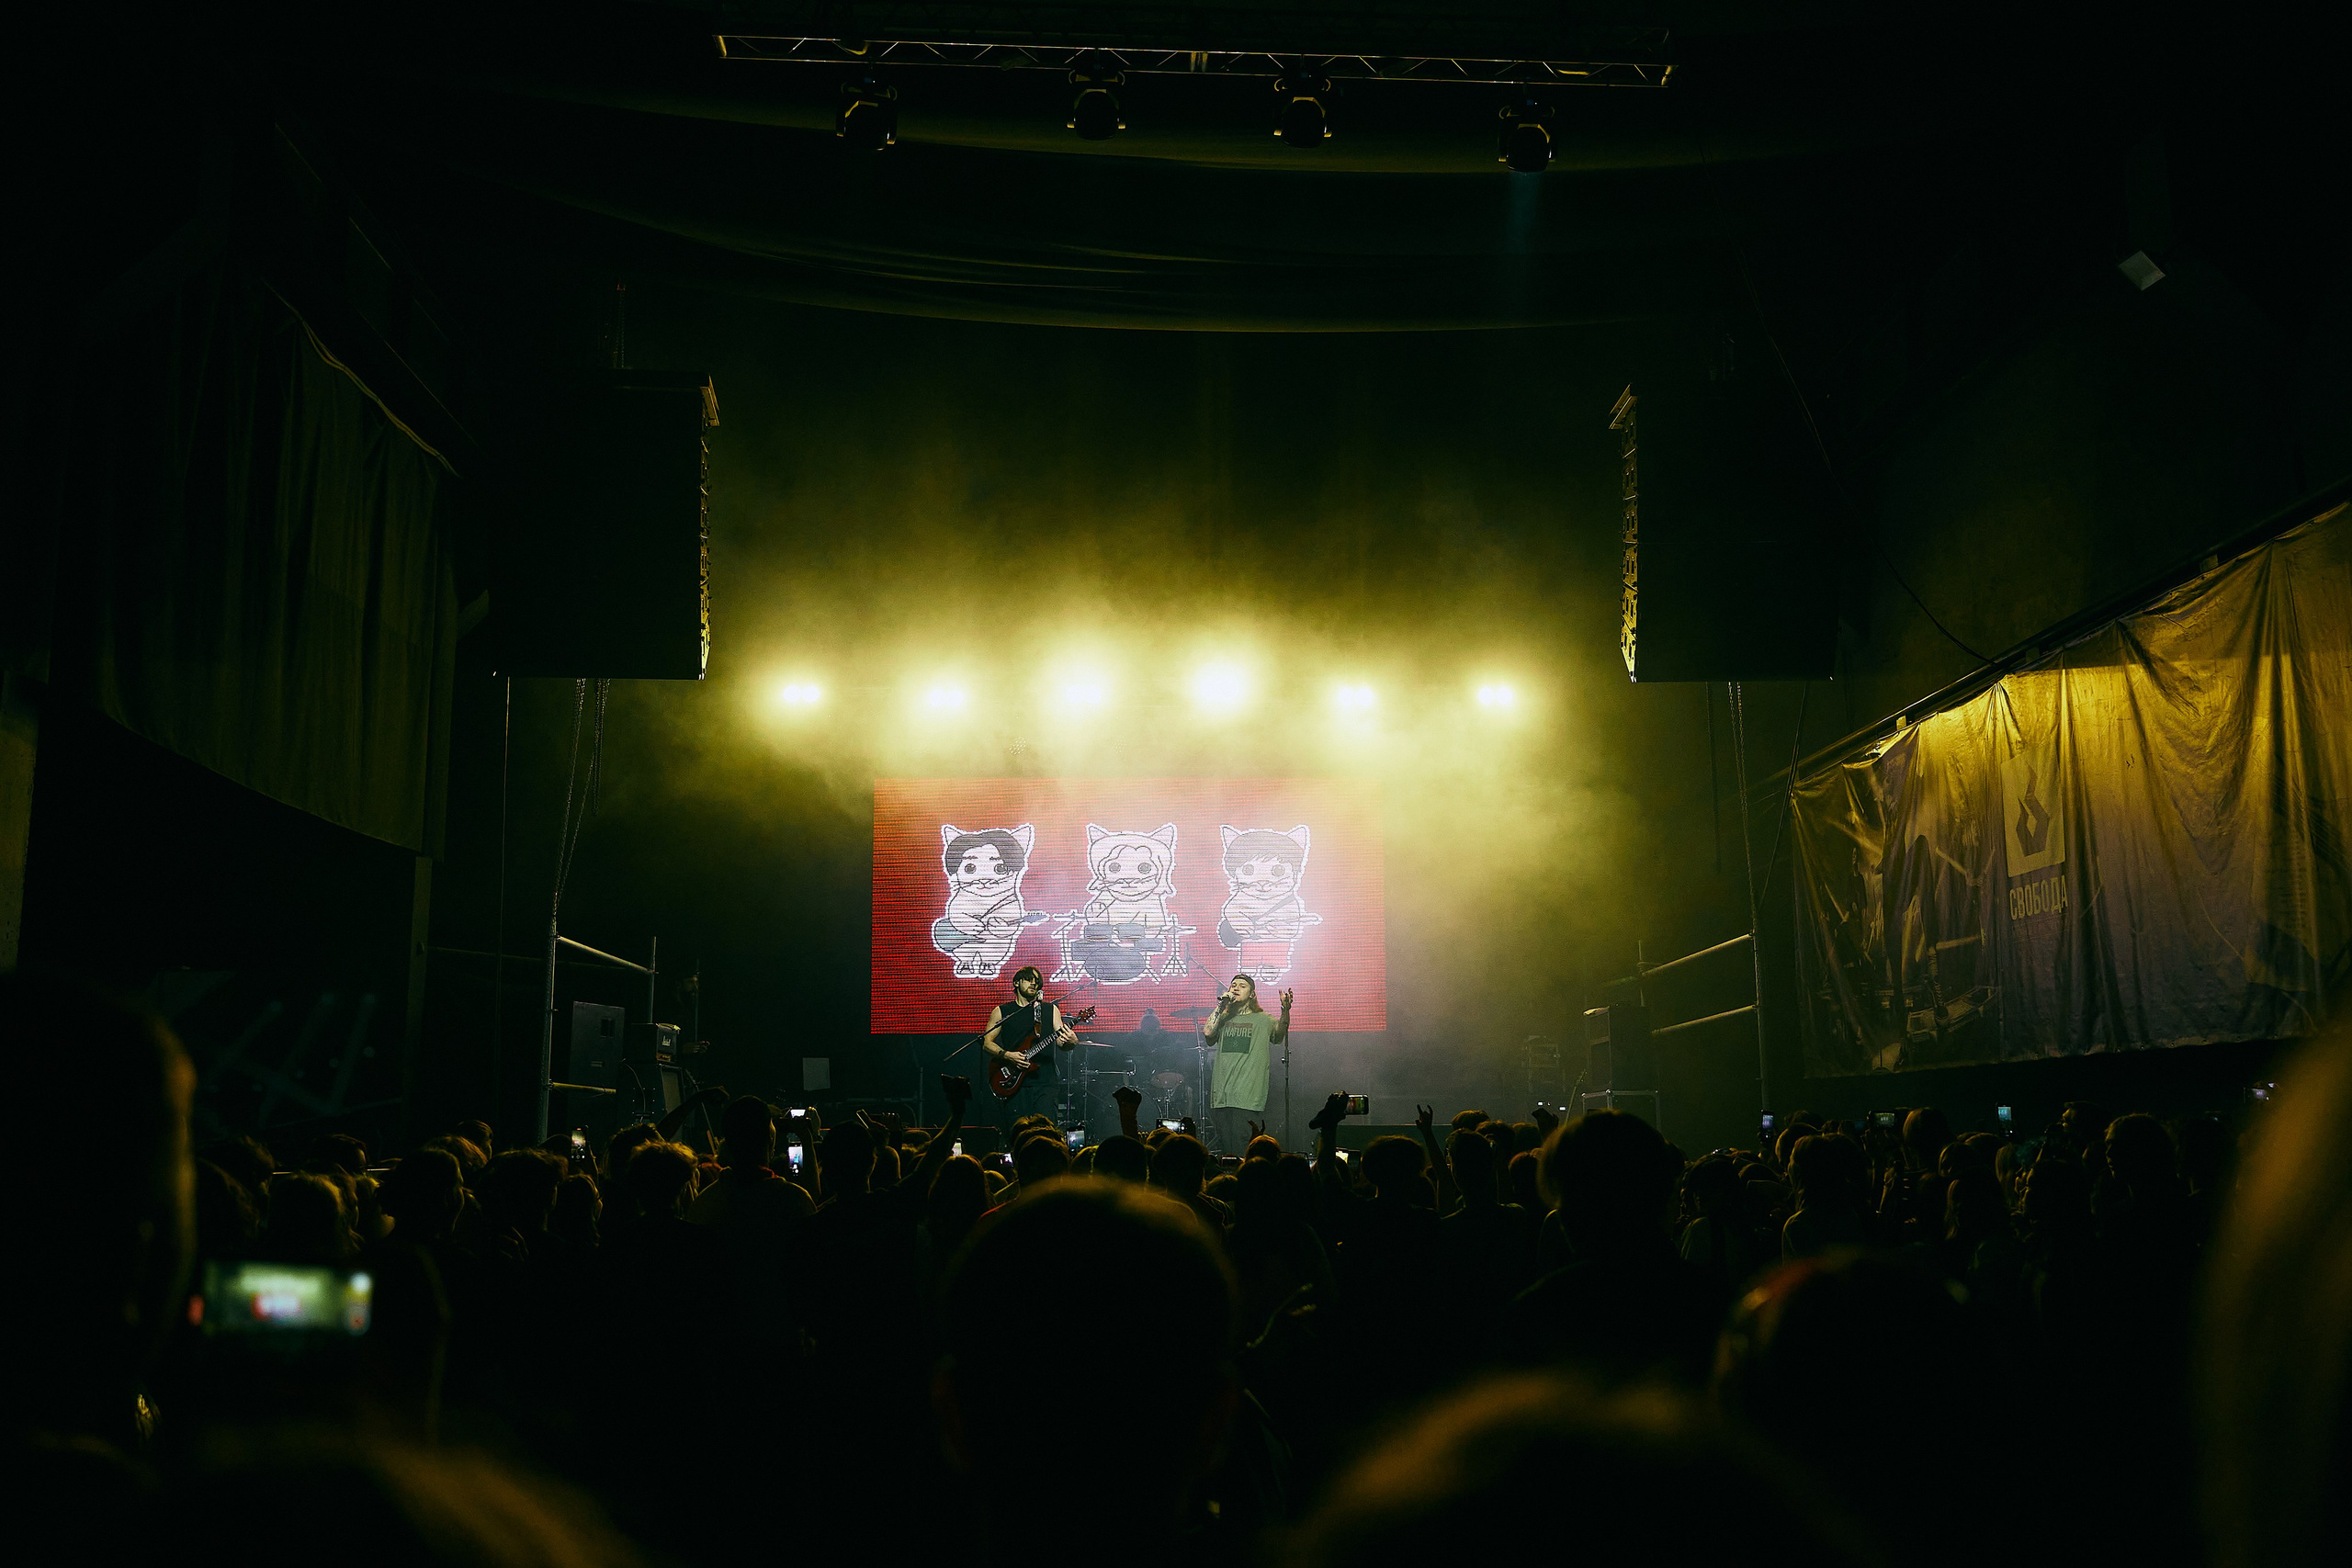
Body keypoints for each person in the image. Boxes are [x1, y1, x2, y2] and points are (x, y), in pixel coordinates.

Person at [980, 965, 1077, 1136]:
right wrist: (1008, 1055)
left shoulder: (1050, 1010)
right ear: (1016, 982)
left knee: (1046, 1134)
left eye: (1037, 981)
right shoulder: (1003, 1011)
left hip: (1045, 1083)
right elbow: (987, 1043)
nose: (1034, 983)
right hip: (1015, 1083)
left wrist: (1072, 1042)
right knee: (1018, 1134)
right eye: (1029, 979)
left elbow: (1063, 1043)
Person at [1204, 975, 1292, 1155]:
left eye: (1242, 986)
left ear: (1252, 994)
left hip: (1247, 1097)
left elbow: (1279, 1034)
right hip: (1221, 1095)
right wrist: (1222, 1005)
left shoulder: (1263, 1019)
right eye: (1233, 985)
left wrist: (1285, 1010)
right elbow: (1208, 1032)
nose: (1236, 988)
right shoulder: (1224, 1018)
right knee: (1227, 1150)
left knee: (1243, 1148)